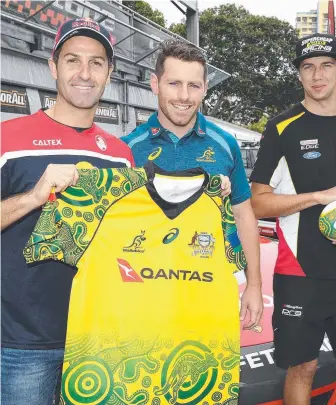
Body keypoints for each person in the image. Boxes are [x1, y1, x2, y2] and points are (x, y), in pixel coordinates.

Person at [250, 33, 336, 405]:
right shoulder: (281, 129)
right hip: (299, 273)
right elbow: (258, 203)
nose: (317, 75)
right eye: (308, 67)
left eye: (326, 66)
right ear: (299, 74)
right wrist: (318, 198)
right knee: (303, 369)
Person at [0, 18, 134, 405]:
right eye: (73, 60)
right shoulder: (9, 139)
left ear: (109, 73)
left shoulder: (121, 156)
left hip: (99, 337)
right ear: (53, 66)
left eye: (96, 63)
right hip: (21, 343)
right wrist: (32, 197)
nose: (84, 73)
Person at [121, 39, 263, 330]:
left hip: (208, 294)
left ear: (205, 88)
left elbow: (244, 215)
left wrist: (254, 285)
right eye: (174, 83)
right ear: (155, 83)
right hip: (139, 297)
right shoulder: (125, 149)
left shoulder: (226, 145)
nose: (184, 96)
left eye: (194, 86)